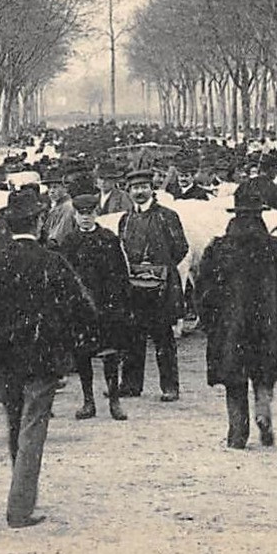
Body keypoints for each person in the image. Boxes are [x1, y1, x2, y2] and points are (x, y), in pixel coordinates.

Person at [0, 187, 89, 529]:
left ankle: (20, 495)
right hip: (43, 355)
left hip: (4, 356)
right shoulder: (52, 261)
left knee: (15, 423)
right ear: (40, 221)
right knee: (33, 427)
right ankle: (20, 507)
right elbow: (81, 306)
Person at [194, 181, 277, 449]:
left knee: (233, 380)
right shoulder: (276, 249)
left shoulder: (218, 249)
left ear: (235, 214)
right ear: (260, 214)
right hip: (267, 325)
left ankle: (237, 433)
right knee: (263, 373)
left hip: (231, 327)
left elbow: (204, 290)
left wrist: (209, 322)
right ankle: (263, 407)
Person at [58, 193, 134, 421]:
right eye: (81, 214)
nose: (85, 218)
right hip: (81, 309)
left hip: (107, 307)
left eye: (89, 214)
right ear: (75, 215)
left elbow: (121, 273)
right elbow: (65, 277)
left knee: (110, 355)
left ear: (96, 214)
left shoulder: (108, 239)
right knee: (83, 356)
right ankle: (88, 401)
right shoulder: (69, 242)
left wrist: (121, 304)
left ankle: (114, 401)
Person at [117, 168, 189, 401]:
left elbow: (181, 248)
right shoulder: (125, 219)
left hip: (161, 287)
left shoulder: (167, 216)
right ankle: (130, 385)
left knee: (163, 338)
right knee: (132, 337)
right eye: (135, 188)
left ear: (152, 189)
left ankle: (169, 387)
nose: (139, 192)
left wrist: (161, 268)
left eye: (143, 187)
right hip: (134, 286)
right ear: (129, 192)